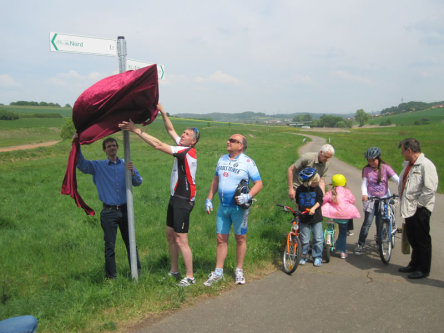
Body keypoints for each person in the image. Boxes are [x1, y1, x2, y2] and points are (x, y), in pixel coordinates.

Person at [118, 103, 199, 287]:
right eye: (183, 133)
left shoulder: (185, 152)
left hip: (183, 200)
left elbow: (158, 144)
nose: (182, 135)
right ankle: (174, 271)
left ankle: (190, 276)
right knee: (170, 235)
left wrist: (135, 130)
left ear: (192, 141)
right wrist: (162, 111)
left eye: (186, 134)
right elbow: (170, 129)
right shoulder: (183, 146)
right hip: (174, 198)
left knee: (181, 239)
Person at [76, 135, 142, 279]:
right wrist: (77, 145)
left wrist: (132, 172)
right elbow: (81, 164)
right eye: (109, 146)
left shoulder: (126, 164)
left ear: (118, 148)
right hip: (108, 212)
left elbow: (138, 182)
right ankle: (111, 277)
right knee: (110, 246)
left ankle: (137, 273)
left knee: (131, 243)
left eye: (114, 145)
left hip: (126, 210)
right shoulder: (98, 166)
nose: (112, 148)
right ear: (104, 150)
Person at [203, 134, 263, 286]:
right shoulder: (222, 159)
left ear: (241, 146)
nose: (228, 142)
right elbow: (216, 179)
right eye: (228, 139)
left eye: (232, 141)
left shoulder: (248, 162)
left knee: (240, 238)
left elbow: (259, 183)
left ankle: (239, 269)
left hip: (239, 209)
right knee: (220, 239)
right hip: (223, 207)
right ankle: (218, 272)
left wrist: (248, 196)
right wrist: (209, 198)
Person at [397, 138, 438, 279]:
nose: (402, 154)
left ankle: (423, 269)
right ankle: (414, 264)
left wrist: (418, 205)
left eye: (403, 151)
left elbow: (430, 189)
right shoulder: (409, 165)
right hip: (409, 208)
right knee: (412, 237)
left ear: (409, 150)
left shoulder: (426, 165)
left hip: (420, 209)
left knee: (422, 239)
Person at [354, 147, 400, 255]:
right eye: (369, 160)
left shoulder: (385, 168)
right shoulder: (366, 169)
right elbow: (364, 184)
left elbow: (396, 179)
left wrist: (404, 188)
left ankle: (380, 244)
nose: (371, 162)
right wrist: (365, 194)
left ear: (378, 158)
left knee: (380, 223)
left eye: (373, 160)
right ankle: (360, 244)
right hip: (371, 199)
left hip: (384, 198)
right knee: (367, 223)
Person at [322, 174, 361, 259]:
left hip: (332, 215)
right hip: (344, 216)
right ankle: (342, 252)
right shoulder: (347, 191)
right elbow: (352, 200)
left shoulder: (331, 192)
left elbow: (323, 200)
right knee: (343, 233)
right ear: (344, 183)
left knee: (330, 224)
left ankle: (328, 239)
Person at [295, 168, 324, 266]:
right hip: (304, 218)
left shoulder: (317, 189)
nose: (316, 184)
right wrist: (297, 213)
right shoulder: (299, 189)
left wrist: (313, 208)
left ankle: (317, 257)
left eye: (317, 182)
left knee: (318, 239)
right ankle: (304, 256)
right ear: (307, 182)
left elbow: (320, 200)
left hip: (316, 218)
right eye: (314, 182)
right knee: (304, 239)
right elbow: (297, 202)